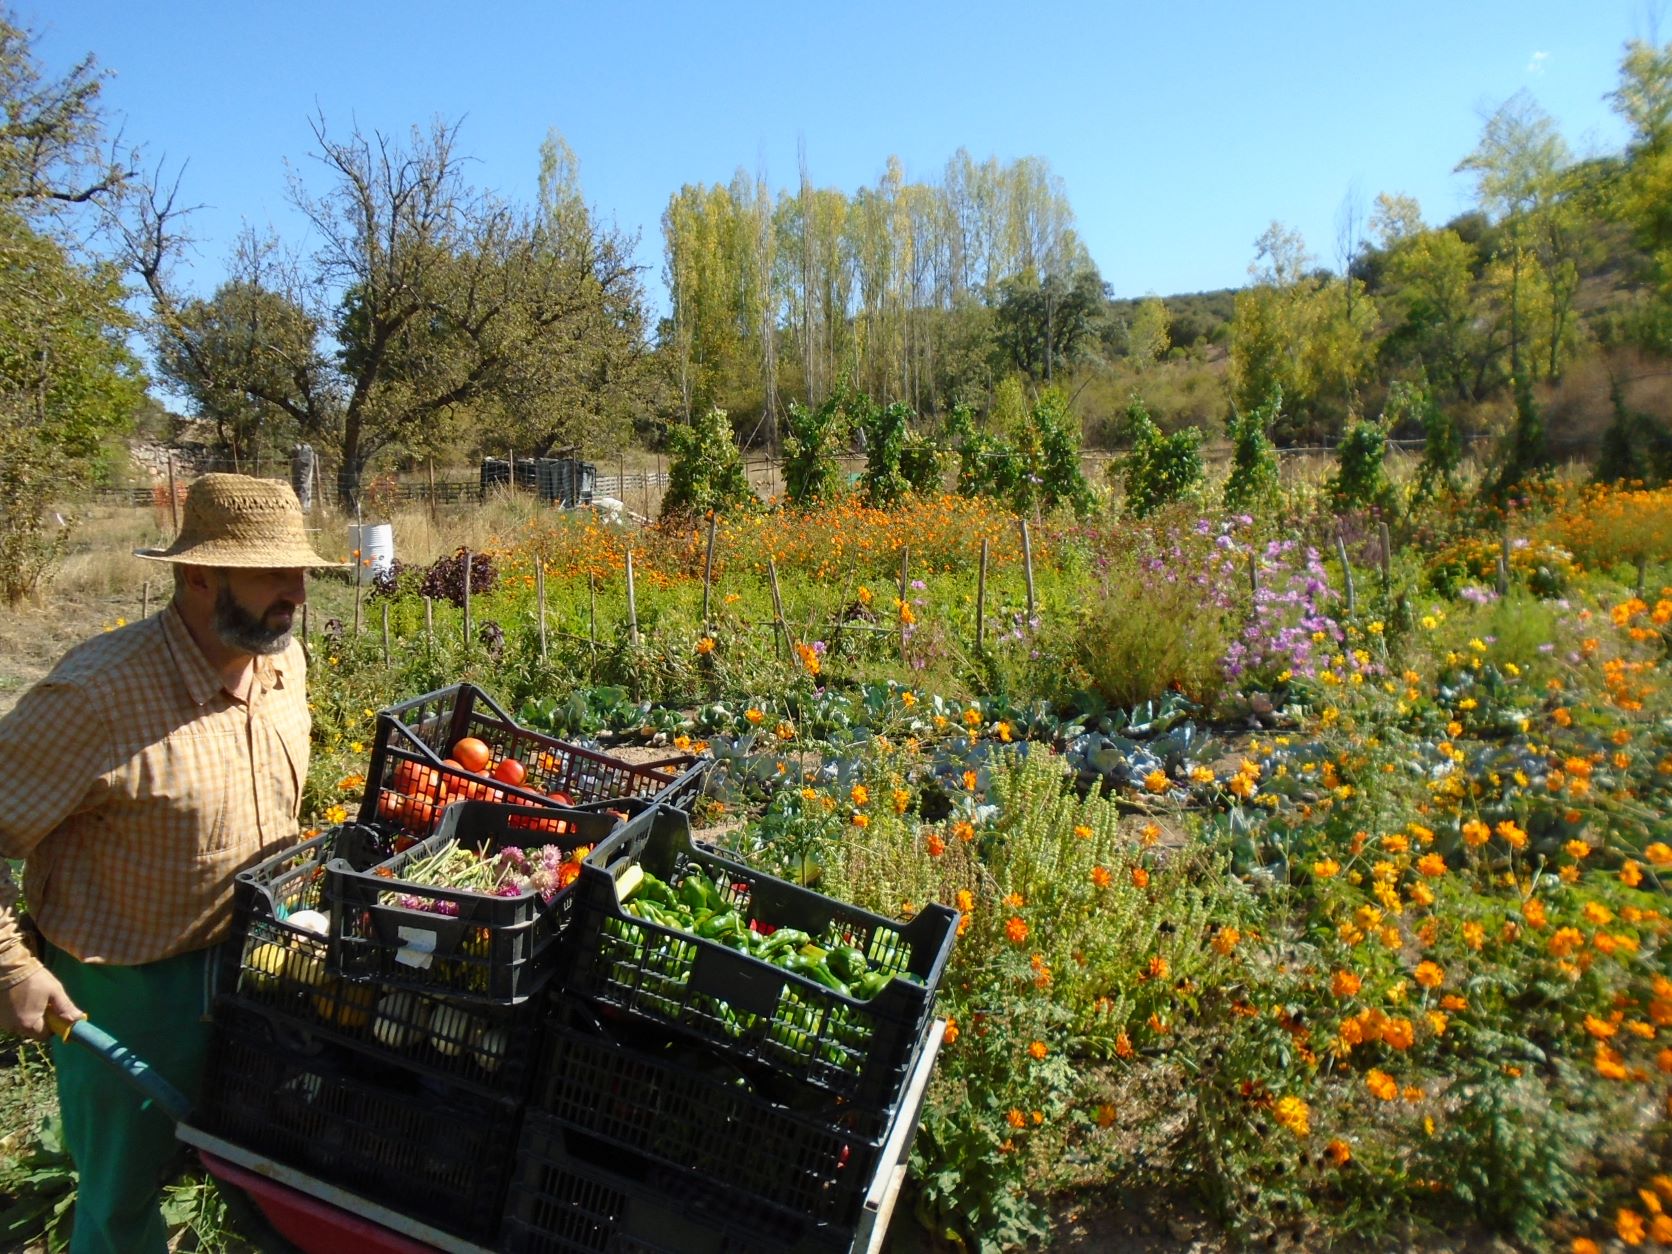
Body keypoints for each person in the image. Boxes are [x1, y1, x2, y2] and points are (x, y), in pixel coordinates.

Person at [0, 473, 340, 1254]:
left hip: (259, 961)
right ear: (196, 576)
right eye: (271, 573)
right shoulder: (97, 695)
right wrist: (11, 967)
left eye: (301, 573)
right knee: (121, 1203)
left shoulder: (282, 665)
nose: (296, 592)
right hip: (128, 989)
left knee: (266, 1176)